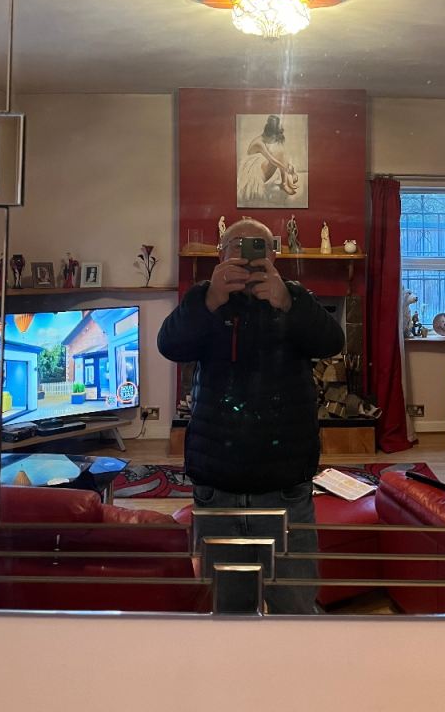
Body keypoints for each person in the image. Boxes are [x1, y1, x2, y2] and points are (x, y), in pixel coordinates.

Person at [157, 218, 344, 614]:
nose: (246, 254)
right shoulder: (204, 300)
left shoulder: (293, 297)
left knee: (295, 607)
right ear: (220, 254)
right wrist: (210, 301)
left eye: (258, 246)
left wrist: (287, 302)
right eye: (236, 245)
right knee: (229, 610)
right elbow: (169, 345)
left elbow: (332, 342)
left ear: (274, 255)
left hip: (285, 488)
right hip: (217, 488)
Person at [236, 115, 299, 203]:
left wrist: (289, 168)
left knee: (281, 153)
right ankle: (284, 184)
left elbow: (279, 158)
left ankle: (286, 182)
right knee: (280, 155)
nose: (274, 139)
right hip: (253, 175)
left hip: (259, 167)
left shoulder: (266, 139)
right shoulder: (259, 143)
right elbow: (272, 160)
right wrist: (289, 171)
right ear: (270, 133)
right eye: (274, 136)